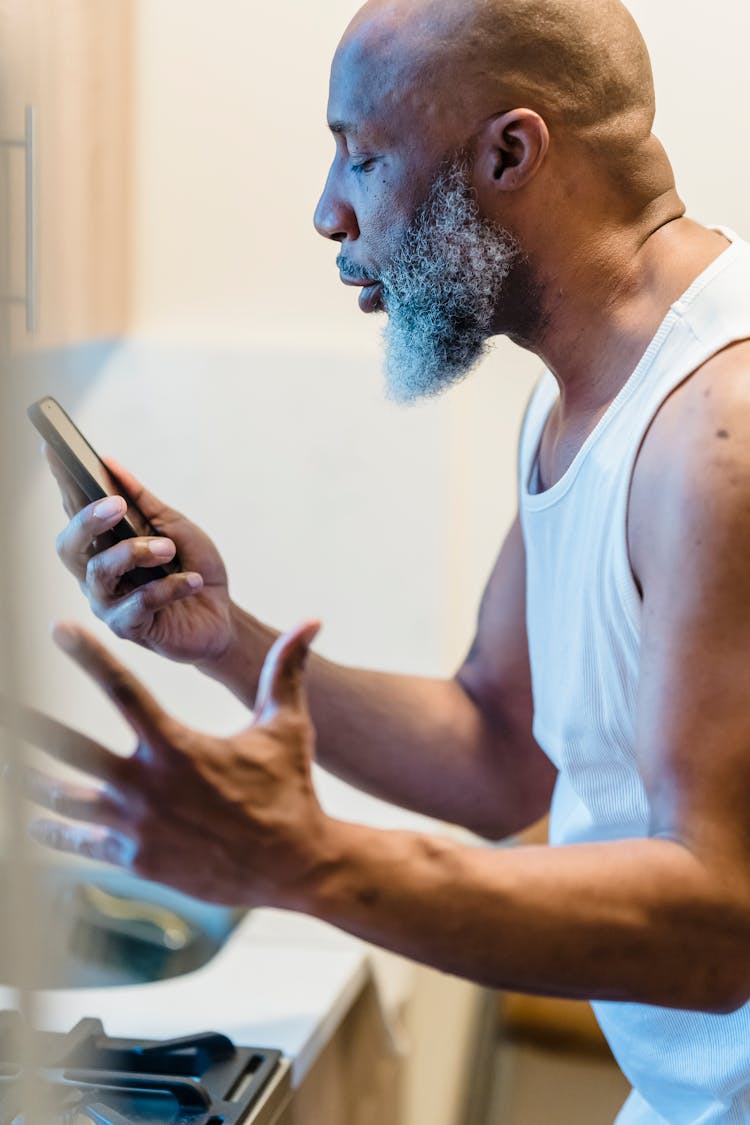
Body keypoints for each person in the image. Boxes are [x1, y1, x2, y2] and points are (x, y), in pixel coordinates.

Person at [23, 0, 750, 1119]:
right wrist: (227, 638)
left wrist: (304, 859)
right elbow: (499, 747)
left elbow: (720, 923)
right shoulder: (590, 401)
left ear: (511, 151)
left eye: (361, 156)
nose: (328, 213)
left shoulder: (719, 435)